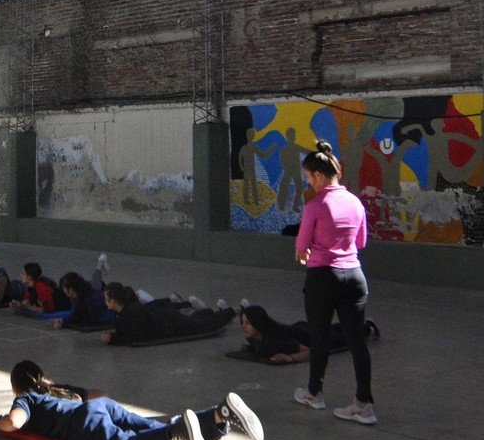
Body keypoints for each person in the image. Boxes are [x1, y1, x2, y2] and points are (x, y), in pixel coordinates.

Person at [0, 360, 262, 440]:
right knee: (151, 426)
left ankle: (177, 434)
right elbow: (100, 395)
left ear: (17, 387)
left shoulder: (27, 398)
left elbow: (14, 423)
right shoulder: (56, 389)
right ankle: (219, 415)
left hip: (81, 422)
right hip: (102, 407)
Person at [292, 140, 376, 424]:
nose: (309, 182)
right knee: (357, 342)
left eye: (308, 177)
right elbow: (361, 241)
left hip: (322, 277)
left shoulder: (315, 206)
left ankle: (314, 393)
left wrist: (309, 250)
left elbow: (302, 245)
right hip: (354, 276)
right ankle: (363, 404)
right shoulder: (355, 202)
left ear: (318, 175)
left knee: (320, 336)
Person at [235, 304, 380, 364]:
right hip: (298, 329)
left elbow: (309, 351)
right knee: (333, 328)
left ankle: (368, 327)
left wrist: (289, 357)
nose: (244, 327)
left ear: (258, 323)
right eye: (243, 323)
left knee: (342, 337)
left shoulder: (276, 340)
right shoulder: (254, 337)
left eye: (248, 323)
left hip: (311, 338)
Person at [101, 283, 237, 345]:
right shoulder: (122, 312)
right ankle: (216, 310)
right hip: (167, 320)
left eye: (107, 299)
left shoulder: (133, 311)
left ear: (113, 301)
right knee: (195, 320)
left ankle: (236, 309)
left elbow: (136, 336)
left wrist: (113, 338)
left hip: (172, 324)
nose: (105, 301)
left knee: (204, 325)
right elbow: (125, 331)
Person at [54, 260, 114, 329]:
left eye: (64, 287)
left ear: (70, 289)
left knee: (96, 279)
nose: (63, 290)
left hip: (107, 314)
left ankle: (101, 261)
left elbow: (77, 314)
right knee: (96, 277)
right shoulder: (78, 295)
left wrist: (63, 322)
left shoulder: (90, 299)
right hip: (101, 302)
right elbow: (76, 313)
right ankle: (100, 261)